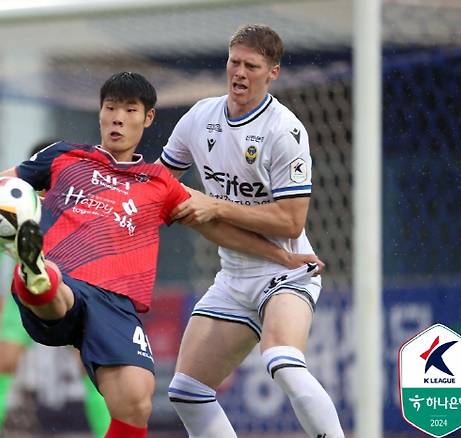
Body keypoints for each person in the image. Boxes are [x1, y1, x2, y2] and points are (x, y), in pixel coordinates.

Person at [0, 72, 320, 438]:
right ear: (100, 112)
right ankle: (35, 270)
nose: (118, 118)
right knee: (51, 285)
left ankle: (36, 270)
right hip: (65, 285)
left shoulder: (158, 183)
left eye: (130, 111)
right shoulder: (64, 158)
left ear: (148, 119)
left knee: (136, 400)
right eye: (111, 108)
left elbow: (215, 227)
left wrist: (280, 258)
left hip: (116, 304)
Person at [158, 25, 344, 437]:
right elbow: (158, 185)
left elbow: (292, 221)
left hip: (287, 273)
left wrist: (213, 205)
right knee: (187, 390)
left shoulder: (285, 131)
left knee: (282, 361)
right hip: (234, 276)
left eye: (251, 66)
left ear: (272, 72)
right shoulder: (198, 118)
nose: (239, 73)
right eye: (234, 62)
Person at [0, 142, 110, 438]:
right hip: (24, 295)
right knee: (4, 365)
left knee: (92, 370)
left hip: (73, 292)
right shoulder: (18, 199)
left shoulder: (78, 200)